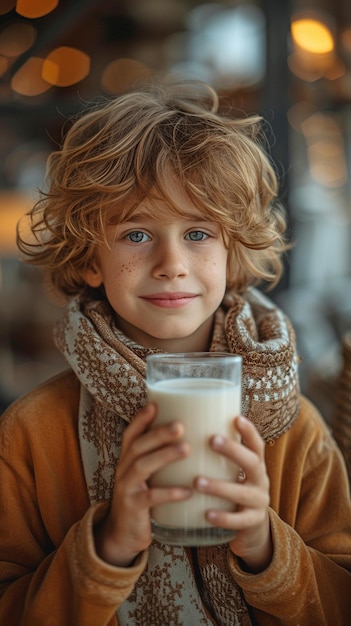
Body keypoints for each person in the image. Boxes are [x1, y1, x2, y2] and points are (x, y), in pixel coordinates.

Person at [0, 81, 350, 626]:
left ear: (234, 255)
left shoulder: (293, 429)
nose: (171, 263)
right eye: (137, 235)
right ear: (90, 261)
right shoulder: (32, 433)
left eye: (198, 233)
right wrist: (108, 544)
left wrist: (264, 546)